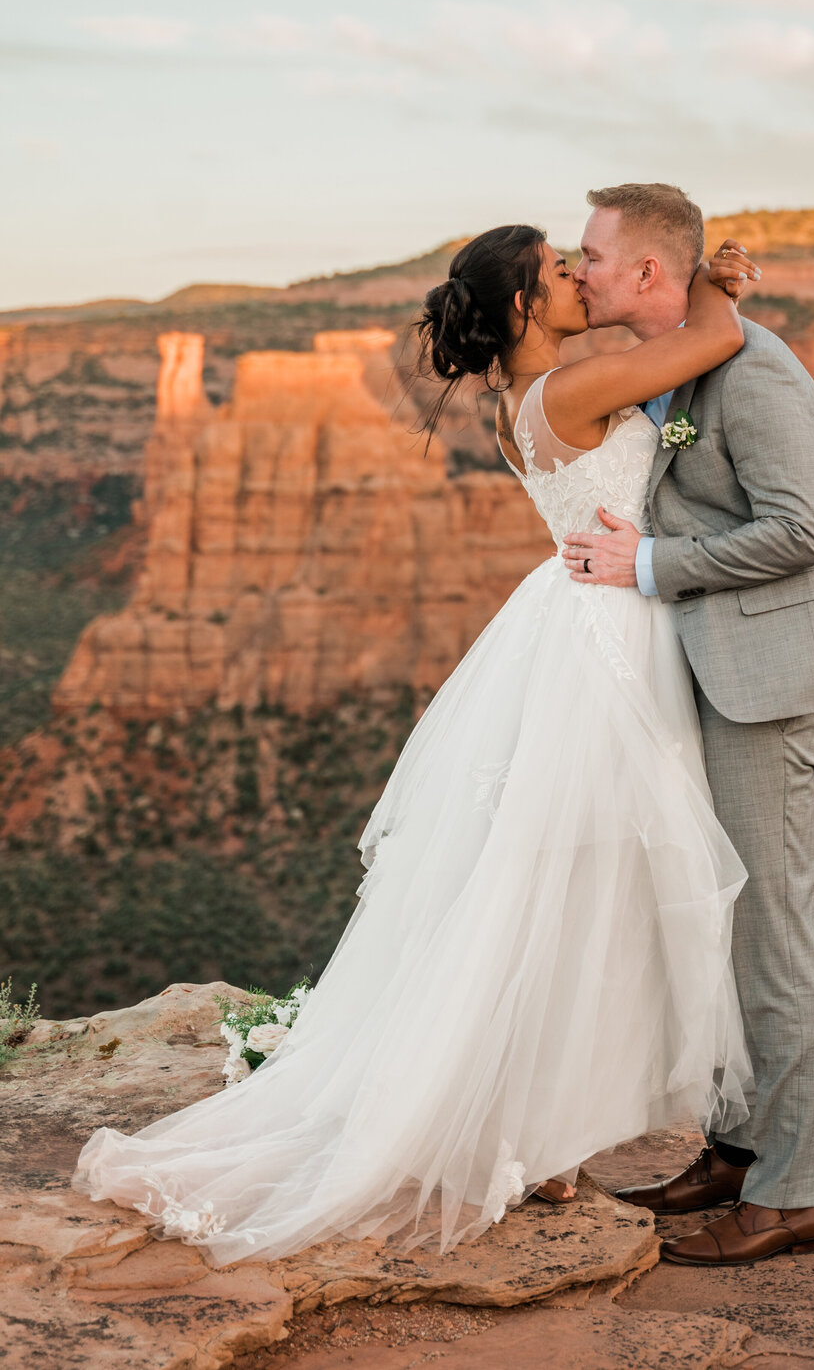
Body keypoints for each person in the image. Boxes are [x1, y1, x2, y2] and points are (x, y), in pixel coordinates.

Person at [72, 220, 759, 1265]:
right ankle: (533, 1131)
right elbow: (708, 343)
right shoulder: (572, 392)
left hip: (585, 621)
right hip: (607, 637)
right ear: (525, 307)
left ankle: (543, 1134)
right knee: (574, 889)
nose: (579, 279)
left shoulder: (517, 400)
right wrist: (708, 277)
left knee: (559, 887)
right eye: (558, 272)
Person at [564, 183, 814, 1267]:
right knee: (720, 918)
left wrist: (646, 564)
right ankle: (737, 1151)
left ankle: (794, 1194)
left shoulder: (761, 374)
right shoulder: (689, 356)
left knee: (771, 931)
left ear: (649, 272)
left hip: (763, 683)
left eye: (591, 254)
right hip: (701, 673)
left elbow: (798, 535)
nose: (577, 269)